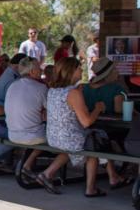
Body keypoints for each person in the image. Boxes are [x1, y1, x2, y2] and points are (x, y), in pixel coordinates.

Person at [39, 57, 130, 196]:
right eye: (78, 68)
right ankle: (92, 188)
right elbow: (86, 122)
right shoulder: (74, 93)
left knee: (93, 139)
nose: (82, 70)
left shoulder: (53, 91)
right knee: (94, 144)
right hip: (70, 139)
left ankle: (48, 173)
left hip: (53, 137)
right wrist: (98, 109)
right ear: (71, 71)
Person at [4, 57, 65, 182]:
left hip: (12, 134)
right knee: (65, 139)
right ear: (31, 72)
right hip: (31, 135)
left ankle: (27, 165)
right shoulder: (40, 88)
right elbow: (53, 113)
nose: (41, 70)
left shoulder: (12, 85)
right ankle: (50, 173)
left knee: (38, 130)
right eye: (38, 68)